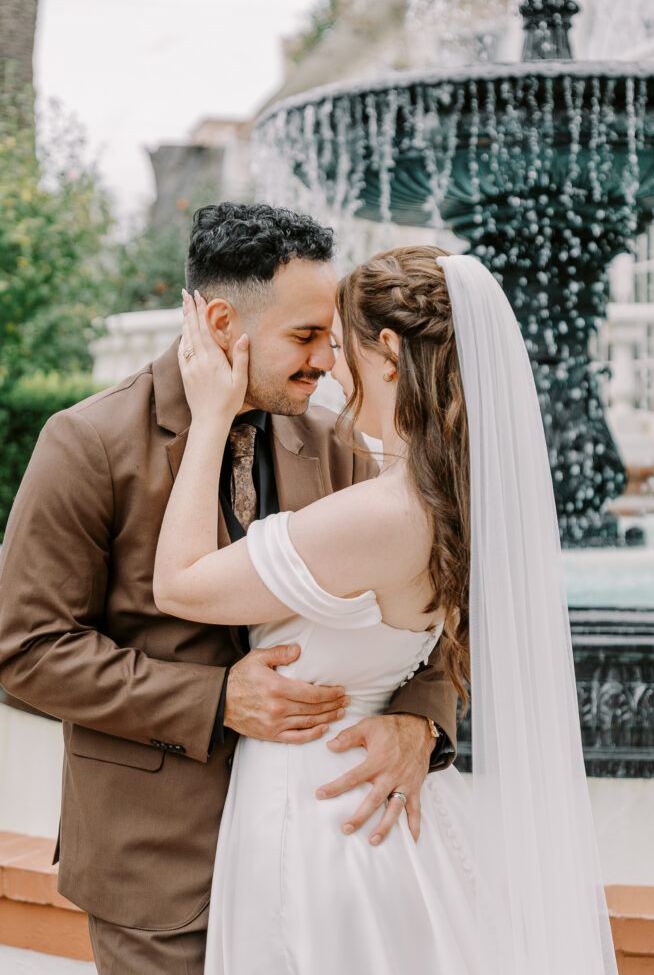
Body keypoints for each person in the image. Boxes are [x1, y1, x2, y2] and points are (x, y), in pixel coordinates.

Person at [0, 205, 458, 975]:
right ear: (221, 322)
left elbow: (421, 601)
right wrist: (214, 701)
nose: (326, 361)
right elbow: (25, 651)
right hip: (158, 867)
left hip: (322, 853)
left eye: (331, 337)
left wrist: (421, 722)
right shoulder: (88, 443)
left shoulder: (336, 440)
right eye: (305, 337)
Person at [154, 245, 619, 975]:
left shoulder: (379, 514)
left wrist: (210, 418)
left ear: (391, 353)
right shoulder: (459, 502)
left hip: (320, 818)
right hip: (389, 810)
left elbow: (179, 584)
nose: (332, 370)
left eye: (339, 348)